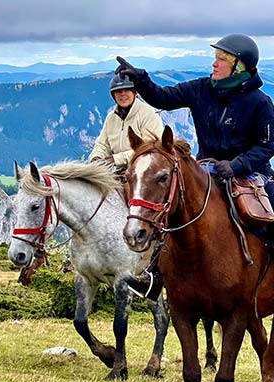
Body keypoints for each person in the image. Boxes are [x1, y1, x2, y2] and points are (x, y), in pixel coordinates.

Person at [115, 35, 274, 298]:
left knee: (271, 213)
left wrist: (236, 165)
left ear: (240, 67)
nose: (214, 64)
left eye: (221, 60)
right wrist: (140, 80)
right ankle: (153, 273)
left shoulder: (259, 102)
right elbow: (164, 98)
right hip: (207, 169)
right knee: (170, 209)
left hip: (249, 173)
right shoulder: (201, 88)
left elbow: (268, 145)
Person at [90, 72, 166, 171]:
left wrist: (115, 159)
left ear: (135, 92)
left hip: (144, 172)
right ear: (113, 95)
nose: (122, 94)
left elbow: (150, 149)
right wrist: (96, 158)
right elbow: (102, 144)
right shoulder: (111, 118)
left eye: (127, 90)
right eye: (118, 91)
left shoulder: (148, 114)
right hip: (119, 172)